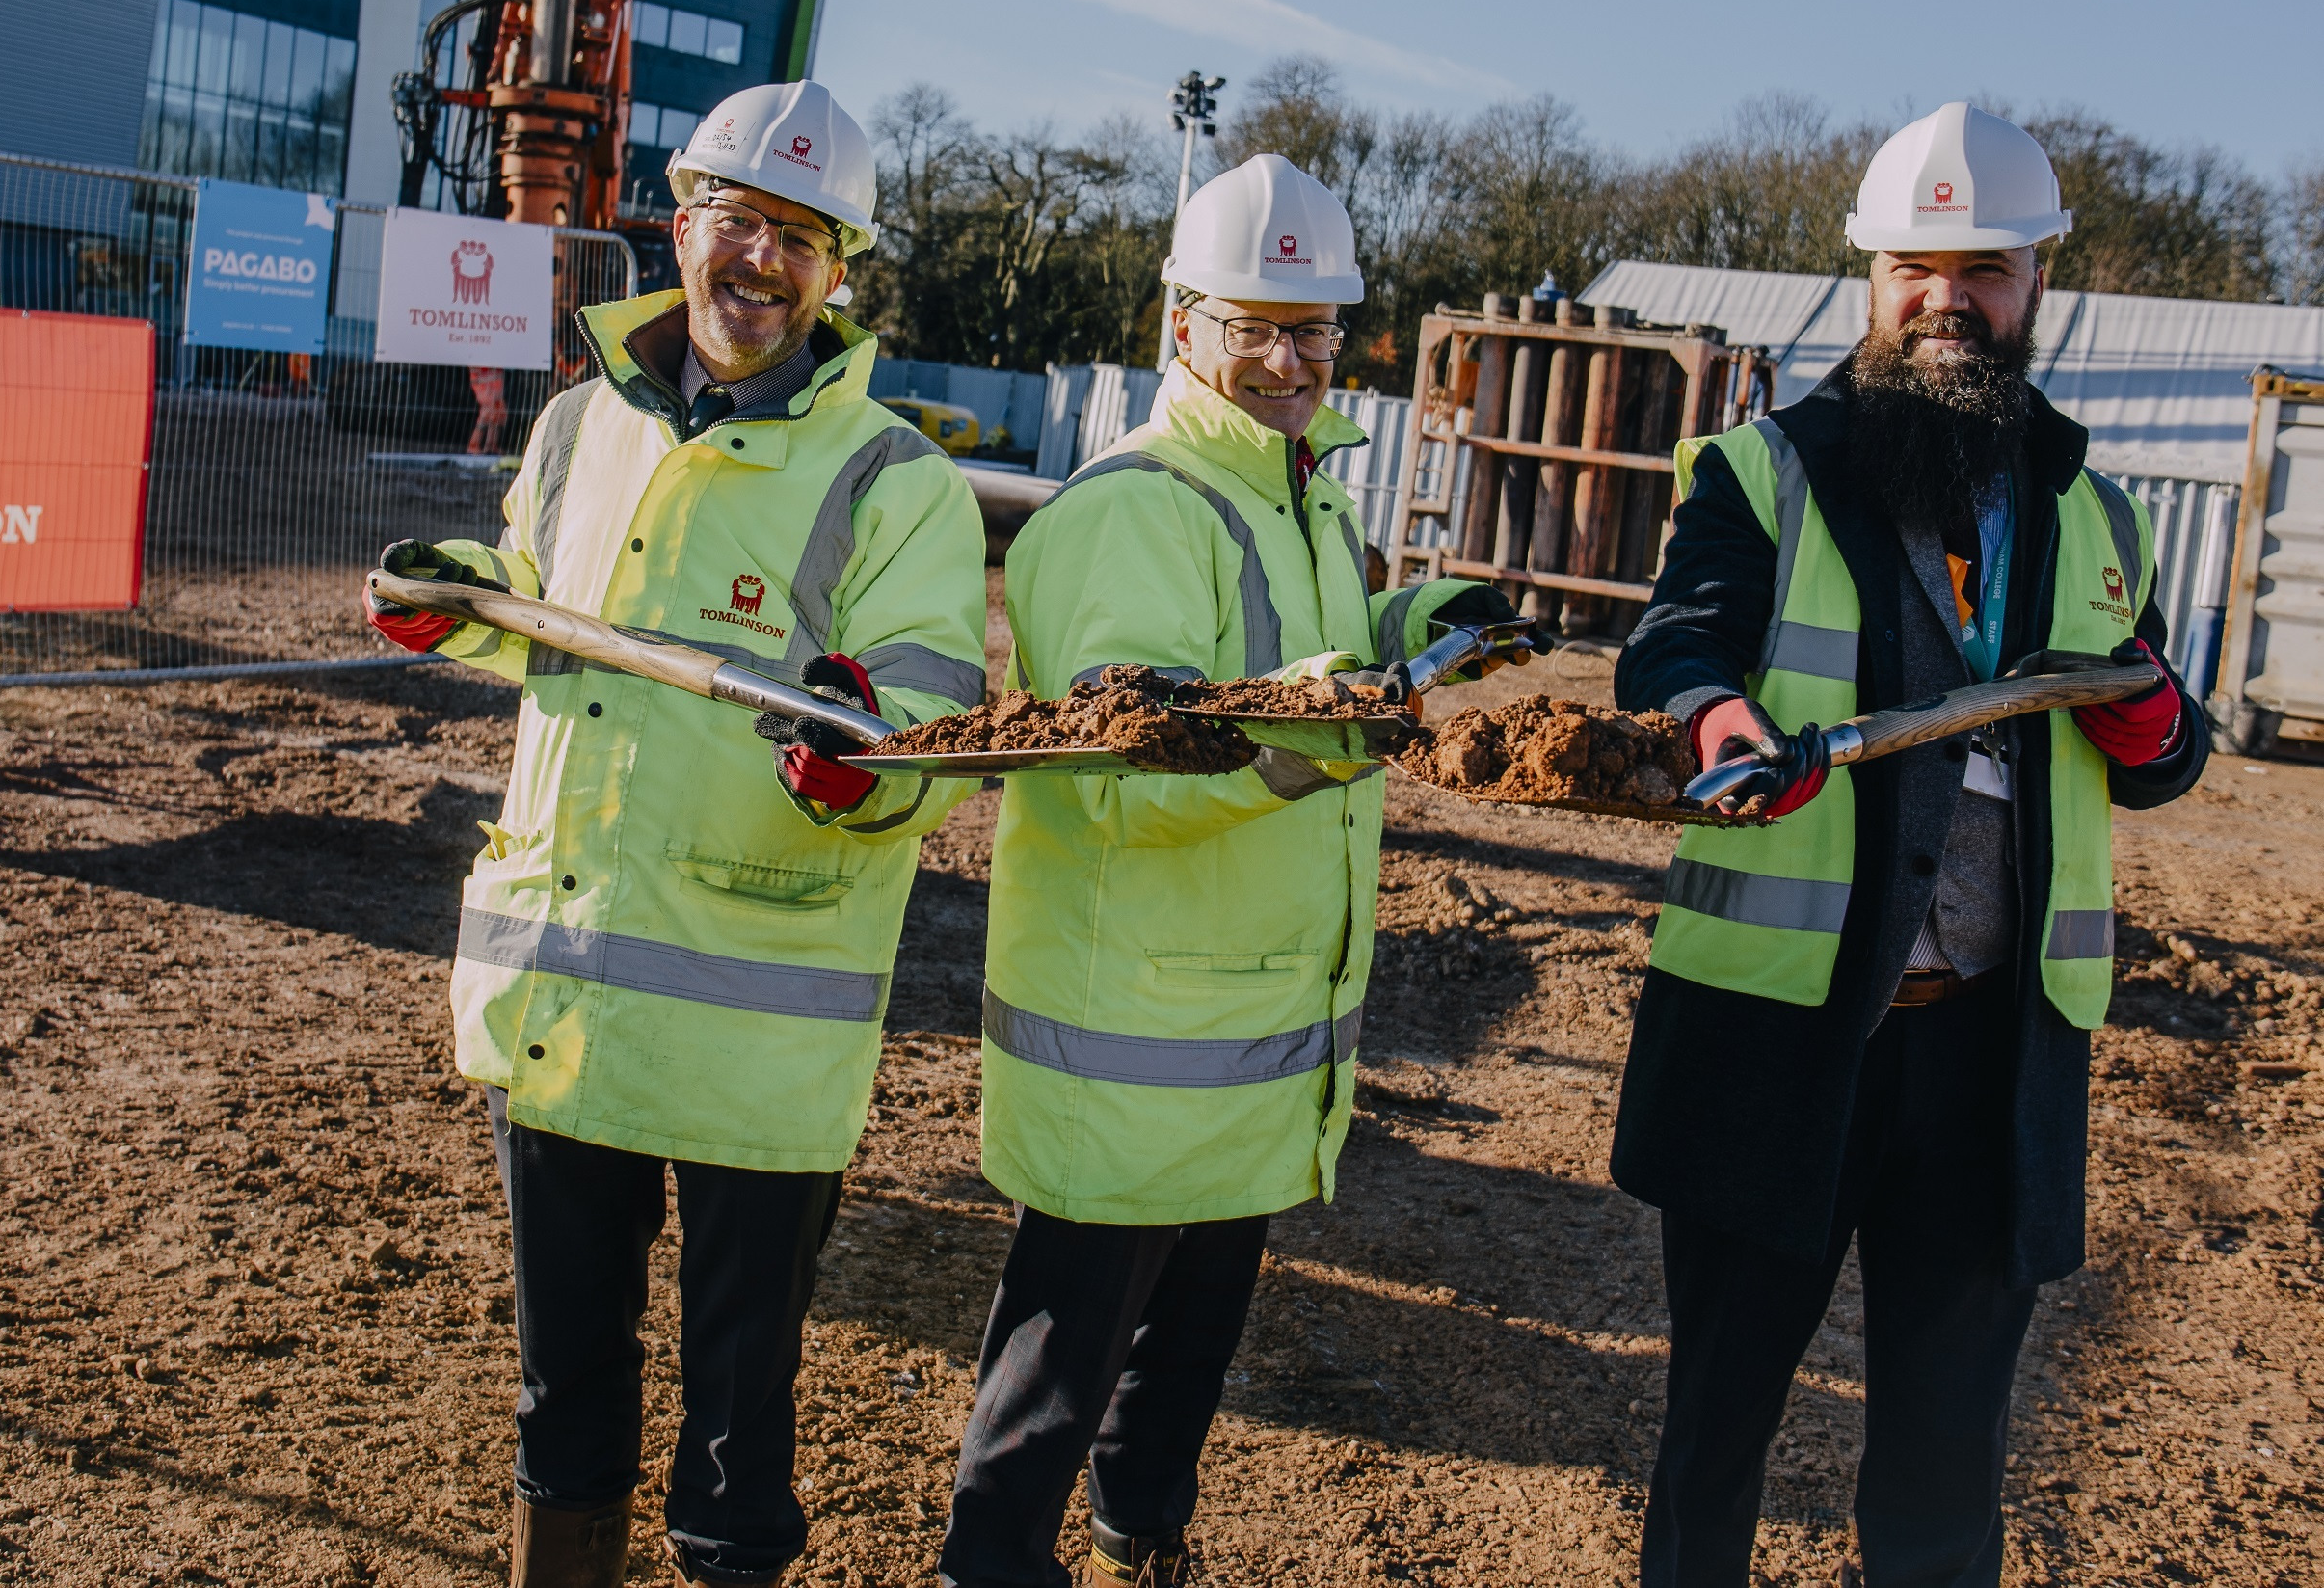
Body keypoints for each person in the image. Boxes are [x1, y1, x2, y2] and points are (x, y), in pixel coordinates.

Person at [362, 82, 988, 1588]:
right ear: (678, 223)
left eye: (798, 235)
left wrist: (862, 754)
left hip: (754, 1019)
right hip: (565, 983)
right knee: (561, 1382)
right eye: (735, 222)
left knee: (737, 1420)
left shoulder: (894, 481)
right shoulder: (581, 423)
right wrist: (460, 600)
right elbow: (544, 617)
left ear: (839, 270)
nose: (759, 261)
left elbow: (929, 724)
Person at [1612, 103, 2206, 1587]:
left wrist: (2149, 724)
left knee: (1947, 1457)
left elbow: (2156, 746)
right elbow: (1676, 639)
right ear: (1872, 280)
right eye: (1915, 268)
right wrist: (1716, 721)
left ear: (2034, 289)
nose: (1949, 300)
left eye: (1984, 270)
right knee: (1717, 1431)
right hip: (1782, 1035)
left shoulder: (2095, 511)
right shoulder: (1762, 471)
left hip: (1988, 1055)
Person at [939, 154, 1520, 1588]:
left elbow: (1292, 644)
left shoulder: (1298, 500)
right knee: (1056, 1377)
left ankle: (1141, 1550)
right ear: (1180, 325)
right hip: (1131, 1033)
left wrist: (1419, 612)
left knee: (1175, 1368)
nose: (1284, 358)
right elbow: (1141, 760)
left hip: (1241, 1026)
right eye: (1250, 324)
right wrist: (1334, 723)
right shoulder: (1137, 505)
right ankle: (990, 1570)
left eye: (1311, 329)